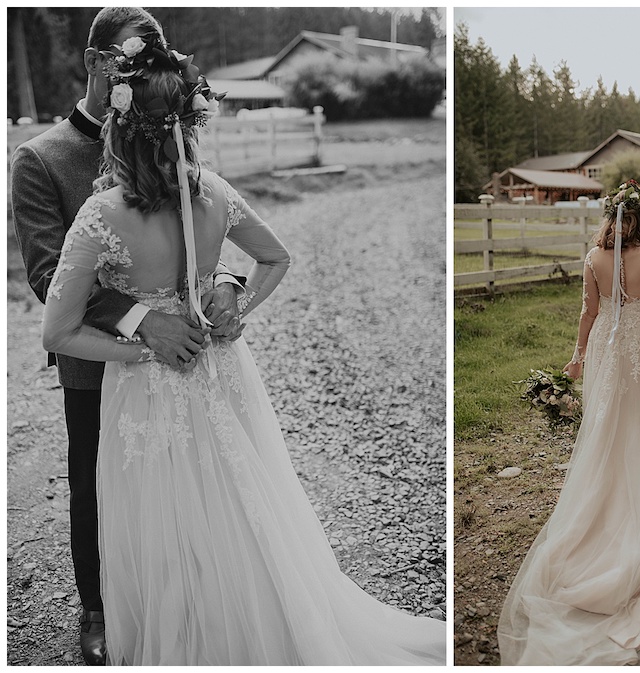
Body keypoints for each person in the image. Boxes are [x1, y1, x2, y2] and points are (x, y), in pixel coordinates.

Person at [40, 34, 445, 665]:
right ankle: (258, 623)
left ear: (120, 128)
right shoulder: (215, 193)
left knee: (160, 521)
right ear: (188, 126)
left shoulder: (100, 216)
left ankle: (185, 638)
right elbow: (277, 257)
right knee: (240, 500)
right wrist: (232, 306)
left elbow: (56, 332)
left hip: (146, 390)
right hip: (221, 370)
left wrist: (146, 351)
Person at [9, 8, 242, 664]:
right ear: (94, 62)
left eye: (156, 58)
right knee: (96, 479)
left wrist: (226, 278)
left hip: (187, 353)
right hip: (98, 357)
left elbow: (199, 227)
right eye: (131, 57)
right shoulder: (40, 159)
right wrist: (143, 321)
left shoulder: (167, 129)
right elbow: (49, 271)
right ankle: (98, 606)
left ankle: (179, 594)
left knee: (187, 474)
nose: (144, 72)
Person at [498, 181, 640, 665]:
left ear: (611, 219)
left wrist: (576, 359)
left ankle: (603, 513)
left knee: (607, 436)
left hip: (610, 359)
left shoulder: (593, 258)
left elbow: (588, 312)